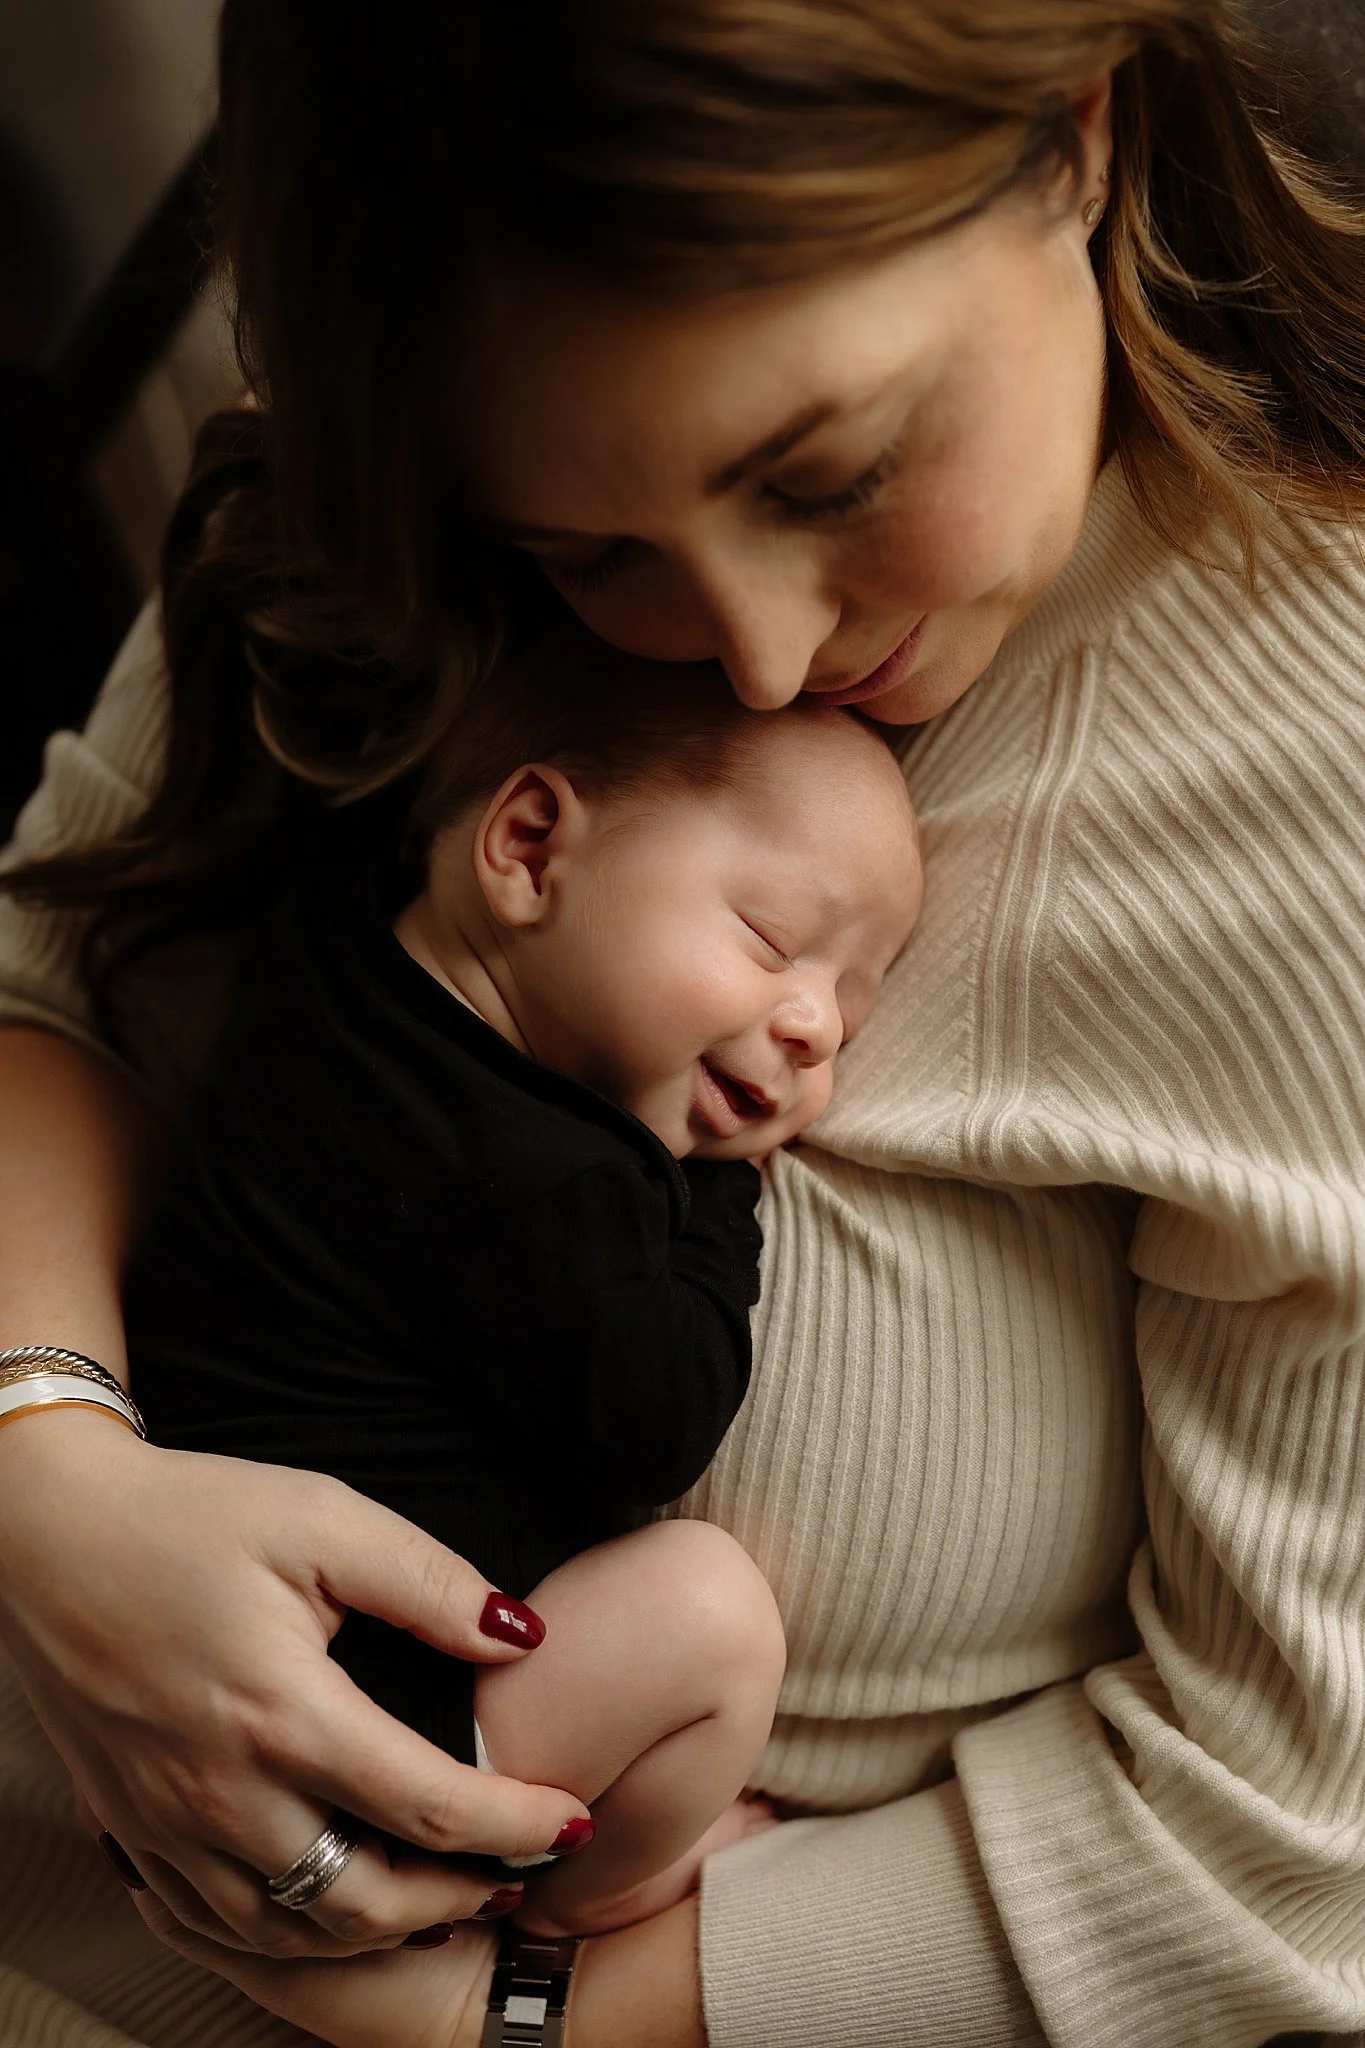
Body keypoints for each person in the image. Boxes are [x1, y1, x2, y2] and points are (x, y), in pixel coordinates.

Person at [2, 1, 1365, 2044]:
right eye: (593, 555)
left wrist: (504, 2020)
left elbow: (1283, 1841)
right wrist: (48, 1486)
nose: (758, 652)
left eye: (829, 467)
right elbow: (52, 981)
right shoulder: (425, 448)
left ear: (1072, 128)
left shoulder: (1303, 773)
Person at [126, 637, 918, 1941]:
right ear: (532, 845)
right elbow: (664, 1415)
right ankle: (578, 1894)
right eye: (776, 939)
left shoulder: (339, 942)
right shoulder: (543, 1184)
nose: (816, 1026)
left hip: (230, 1662)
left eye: (852, 1004)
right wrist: (721, 1187)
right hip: (375, 1748)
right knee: (711, 1616)